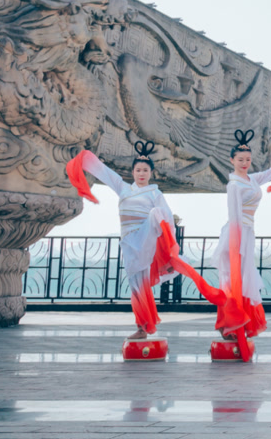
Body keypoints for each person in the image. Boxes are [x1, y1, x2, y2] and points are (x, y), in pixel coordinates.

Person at [66, 141, 223, 339]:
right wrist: (83, 157)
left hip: (146, 236)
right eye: (138, 170)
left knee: (157, 213)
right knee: (137, 285)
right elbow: (104, 171)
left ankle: (169, 253)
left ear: (151, 173)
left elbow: (166, 217)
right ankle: (143, 327)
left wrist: (170, 241)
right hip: (129, 242)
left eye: (145, 170)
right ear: (133, 172)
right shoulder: (122, 188)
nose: (141, 173)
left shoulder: (154, 193)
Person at [211, 129, 271, 359]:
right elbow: (235, 215)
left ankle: (238, 324)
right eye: (240, 160)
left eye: (248, 159)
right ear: (232, 161)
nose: (245, 163)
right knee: (232, 280)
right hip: (236, 233)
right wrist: (237, 244)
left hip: (249, 233)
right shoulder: (234, 185)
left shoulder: (251, 179)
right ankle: (227, 325)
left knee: (244, 280)